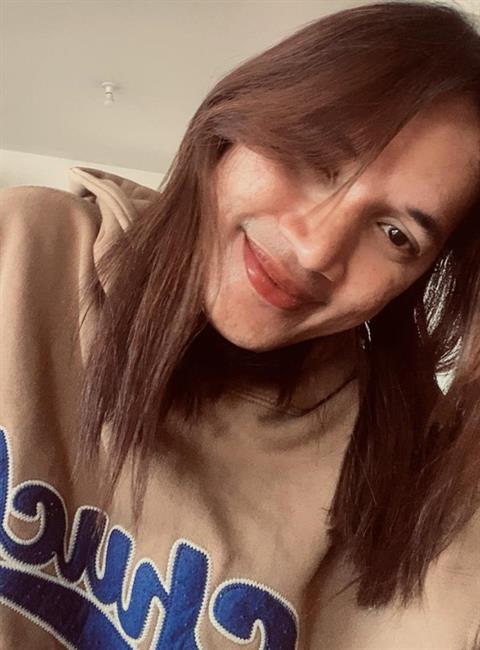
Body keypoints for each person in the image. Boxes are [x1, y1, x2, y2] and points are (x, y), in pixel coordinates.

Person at [0, 0, 479, 647]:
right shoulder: (23, 248)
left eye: (395, 234)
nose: (316, 248)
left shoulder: (399, 482)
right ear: (237, 120)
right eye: (315, 157)